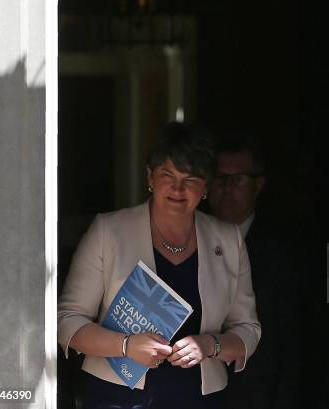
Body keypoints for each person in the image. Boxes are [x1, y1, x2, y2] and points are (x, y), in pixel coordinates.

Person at [57, 122, 261, 409]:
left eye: (191, 179)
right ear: (150, 177)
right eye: (168, 174)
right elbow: (67, 322)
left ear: (205, 186)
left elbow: (248, 330)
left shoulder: (229, 240)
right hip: (116, 398)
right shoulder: (109, 231)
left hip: (199, 400)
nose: (178, 188)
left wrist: (209, 345)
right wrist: (126, 345)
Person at [208, 134, 298, 409]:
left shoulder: (283, 254)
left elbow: (292, 344)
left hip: (257, 395)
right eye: (219, 178)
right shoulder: (187, 238)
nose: (226, 188)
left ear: (258, 185)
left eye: (237, 180)